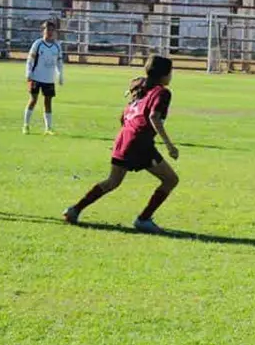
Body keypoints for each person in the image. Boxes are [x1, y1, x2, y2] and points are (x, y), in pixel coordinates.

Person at [63, 56, 181, 233]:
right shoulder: (162, 92)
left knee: (113, 181)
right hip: (139, 142)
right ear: (164, 74)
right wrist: (169, 145)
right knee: (171, 180)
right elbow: (154, 117)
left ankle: (74, 210)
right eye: (171, 72)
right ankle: (143, 219)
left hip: (124, 138)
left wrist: (129, 136)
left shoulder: (142, 90)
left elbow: (123, 117)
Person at [23, 21, 64, 135]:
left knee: (48, 102)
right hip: (36, 76)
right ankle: (26, 125)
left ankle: (48, 128)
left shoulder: (57, 45)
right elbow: (30, 59)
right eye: (47, 30)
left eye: (52, 30)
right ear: (43, 31)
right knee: (33, 100)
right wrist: (28, 72)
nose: (50, 32)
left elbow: (59, 62)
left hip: (49, 78)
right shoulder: (38, 44)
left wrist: (60, 74)